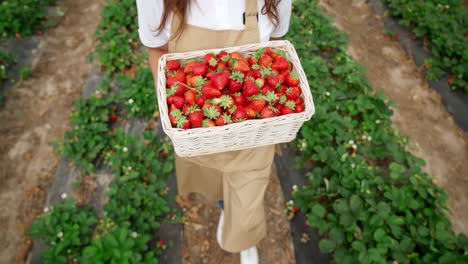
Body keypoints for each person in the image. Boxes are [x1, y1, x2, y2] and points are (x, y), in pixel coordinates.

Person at [136, 1, 292, 263]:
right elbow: (158, 48)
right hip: (198, 128)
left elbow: (275, 44)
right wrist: (171, 103)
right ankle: (223, 208)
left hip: (251, 127)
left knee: (248, 195)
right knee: (211, 178)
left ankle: (243, 236)